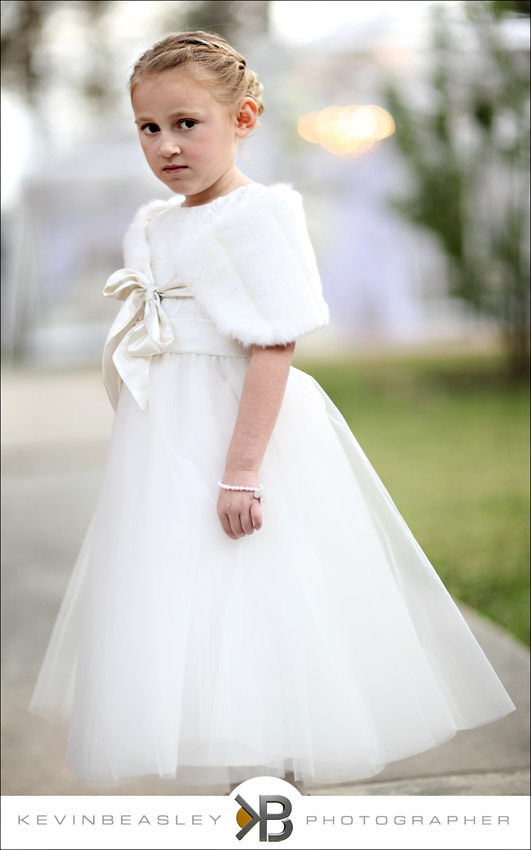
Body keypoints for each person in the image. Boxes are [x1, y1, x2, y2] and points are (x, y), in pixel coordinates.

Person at [29, 30, 516, 796]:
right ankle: (249, 790)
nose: (166, 145)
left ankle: (274, 784)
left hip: (242, 435)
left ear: (243, 119)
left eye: (186, 123)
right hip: (170, 439)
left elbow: (273, 344)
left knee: (260, 597)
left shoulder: (258, 215)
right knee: (193, 605)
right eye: (148, 127)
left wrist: (241, 471)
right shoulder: (155, 221)